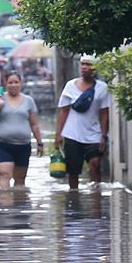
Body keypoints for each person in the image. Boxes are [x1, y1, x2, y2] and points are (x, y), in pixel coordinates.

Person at [54, 54, 111, 190]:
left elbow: (104, 113)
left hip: (93, 134)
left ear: (95, 68)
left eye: (88, 64)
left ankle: (95, 196)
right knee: (73, 171)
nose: (84, 67)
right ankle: (74, 196)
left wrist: (104, 136)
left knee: (95, 164)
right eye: (83, 64)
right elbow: (64, 111)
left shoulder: (102, 88)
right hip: (72, 134)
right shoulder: (70, 86)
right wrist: (58, 134)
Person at [0, 71, 44, 189]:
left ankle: (19, 201)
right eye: (10, 82)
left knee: (20, 181)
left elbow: (34, 124)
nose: (13, 85)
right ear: (5, 84)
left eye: (16, 82)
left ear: (21, 83)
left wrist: (39, 142)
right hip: (2, 144)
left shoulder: (29, 100)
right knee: (4, 175)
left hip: (23, 146)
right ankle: (4, 200)